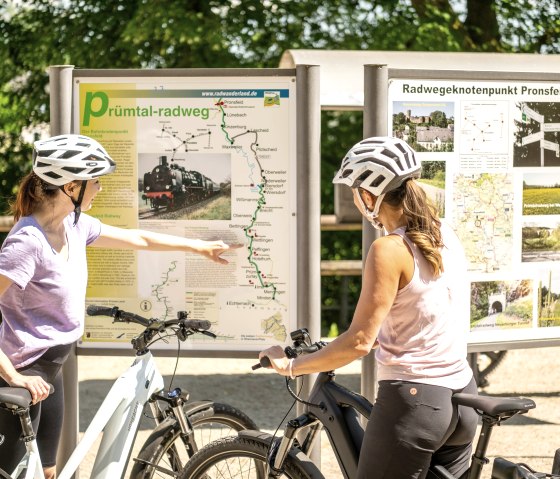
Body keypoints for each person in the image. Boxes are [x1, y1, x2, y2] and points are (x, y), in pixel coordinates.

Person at [0, 134, 241, 478]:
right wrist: (12, 376)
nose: (99, 188)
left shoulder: (74, 225)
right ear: (70, 186)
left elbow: (138, 238)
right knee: (11, 472)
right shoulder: (27, 242)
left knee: (48, 471)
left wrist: (198, 247)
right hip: (22, 371)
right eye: (94, 181)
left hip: (50, 367)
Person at [259, 136, 477, 479]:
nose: (354, 199)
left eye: (354, 191)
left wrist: (292, 365)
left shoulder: (388, 249)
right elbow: (426, 310)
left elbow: (358, 342)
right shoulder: (443, 233)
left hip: (415, 404)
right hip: (463, 399)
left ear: (369, 195)